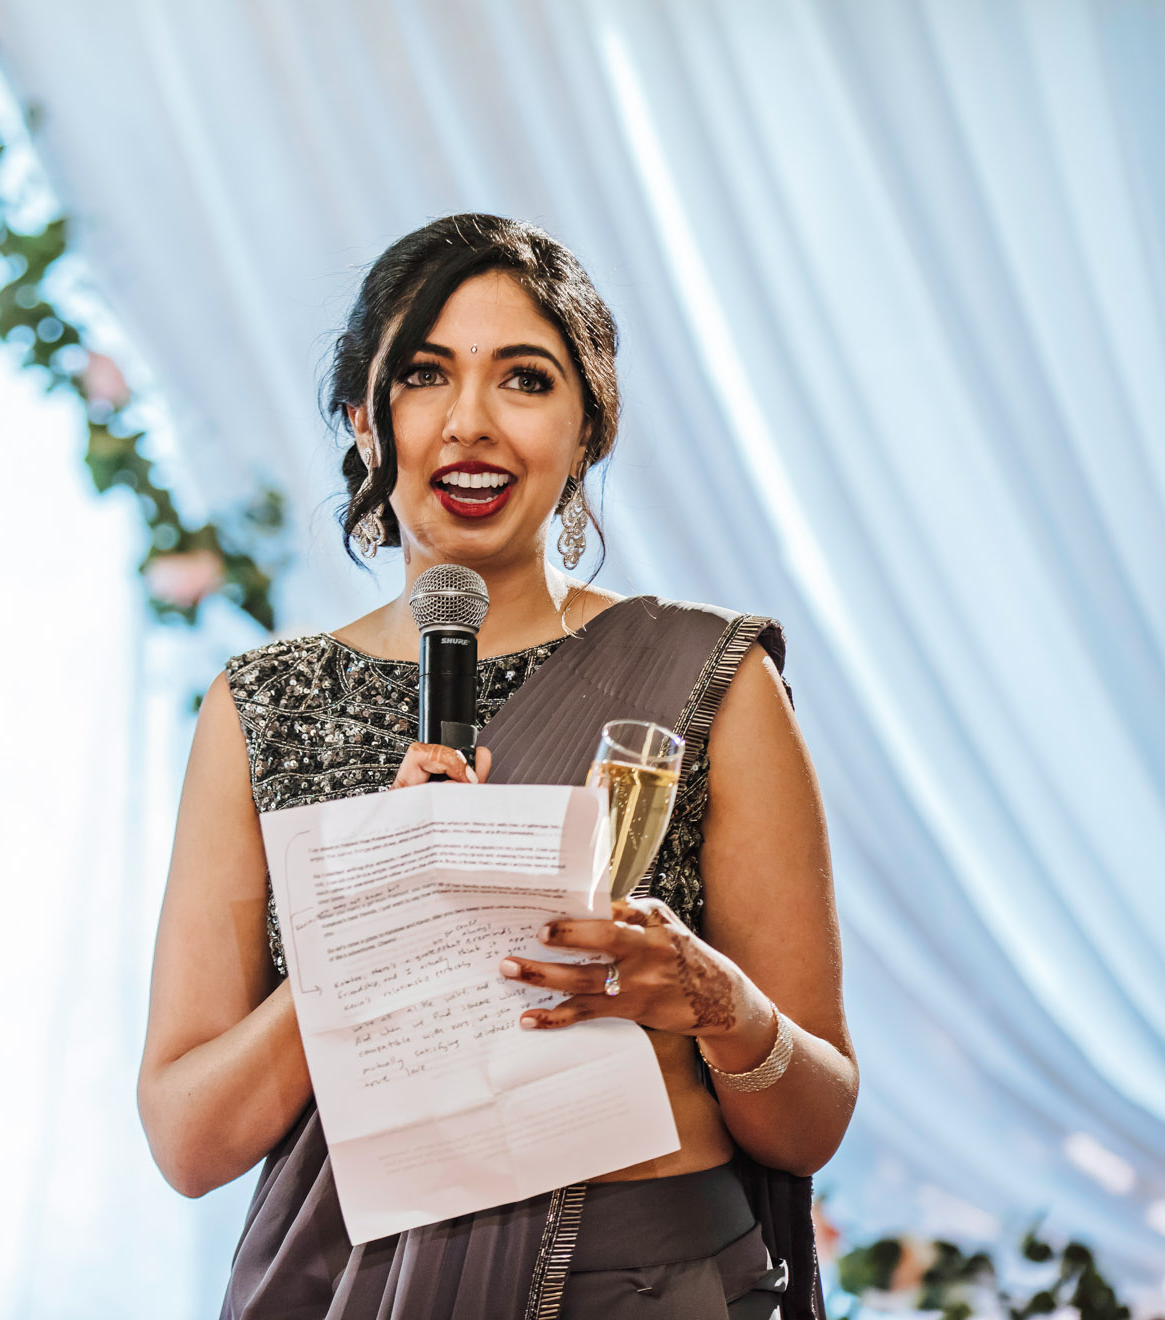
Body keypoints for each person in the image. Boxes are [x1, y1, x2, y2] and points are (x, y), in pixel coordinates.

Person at [137, 215, 857, 1319]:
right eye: (425, 376)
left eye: (524, 379)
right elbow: (190, 1141)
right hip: (368, 1290)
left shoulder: (710, 679)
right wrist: (375, 916)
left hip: (658, 1285)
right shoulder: (261, 707)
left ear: (589, 431)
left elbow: (814, 1122)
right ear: (363, 423)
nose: (469, 425)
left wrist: (718, 1006)